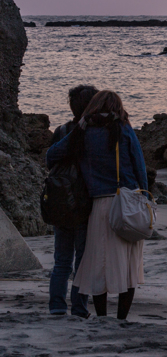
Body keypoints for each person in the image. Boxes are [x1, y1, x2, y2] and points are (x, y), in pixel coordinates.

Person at [47, 90, 148, 320]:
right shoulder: (123, 129)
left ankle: (101, 317)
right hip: (127, 201)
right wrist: (145, 196)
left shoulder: (84, 133)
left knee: (98, 264)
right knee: (129, 266)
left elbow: (51, 155)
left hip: (99, 205)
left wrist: (80, 126)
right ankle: (121, 318)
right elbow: (139, 164)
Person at [46, 84, 98, 317]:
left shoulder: (61, 129)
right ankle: (79, 307)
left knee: (61, 261)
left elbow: (51, 160)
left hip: (60, 200)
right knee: (82, 261)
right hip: (84, 203)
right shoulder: (94, 133)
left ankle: (56, 305)